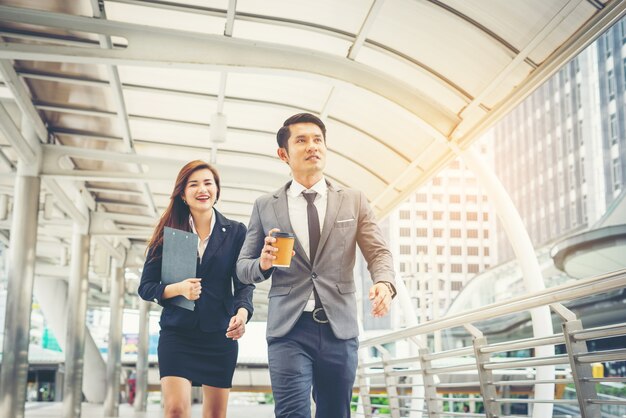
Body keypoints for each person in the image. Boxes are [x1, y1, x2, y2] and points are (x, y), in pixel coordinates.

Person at [236, 113, 396, 417]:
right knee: (292, 413)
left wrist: (384, 283)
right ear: (283, 154)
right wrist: (264, 263)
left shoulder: (354, 200)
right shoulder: (265, 205)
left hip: (339, 329)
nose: (312, 146)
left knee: (335, 413)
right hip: (289, 330)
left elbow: (378, 253)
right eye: (301, 140)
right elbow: (243, 267)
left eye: (317, 139)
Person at [139, 160, 254, 418]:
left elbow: (244, 282)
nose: (202, 189)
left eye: (208, 183)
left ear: (216, 189)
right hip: (177, 333)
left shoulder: (235, 232)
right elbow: (146, 287)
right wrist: (178, 288)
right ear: (182, 193)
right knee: (176, 410)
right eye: (194, 184)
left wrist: (243, 314)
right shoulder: (170, 232)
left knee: (215, 415)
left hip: (219, 334)